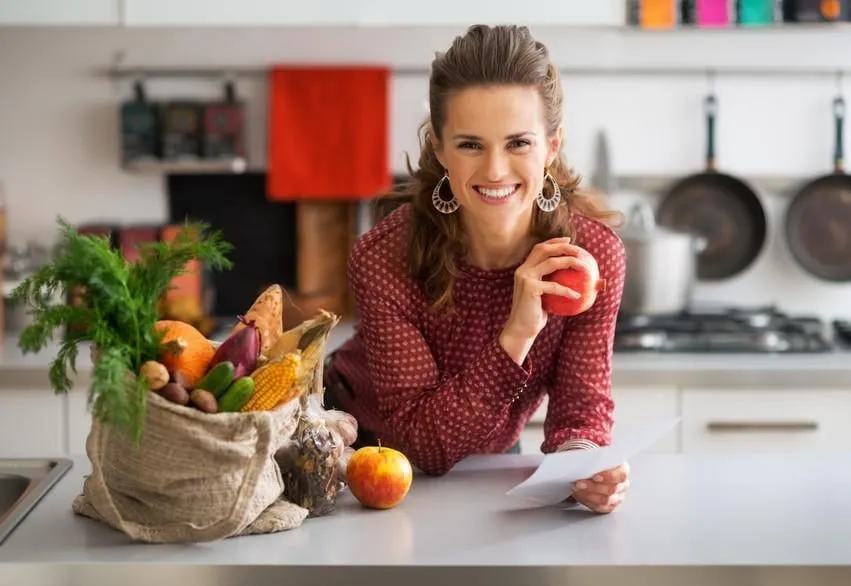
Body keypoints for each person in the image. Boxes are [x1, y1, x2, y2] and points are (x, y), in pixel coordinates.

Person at [323, 24, 629, 514]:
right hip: (356, 453)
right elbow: (424, 448)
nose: (494, 170)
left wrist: (584, 467)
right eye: (470, 145)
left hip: (486, 446)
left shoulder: (590, 255)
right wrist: (518, 333)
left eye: (518, 144)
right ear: (440, 149)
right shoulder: (384, 256)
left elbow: (581, 412)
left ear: (551, 147)